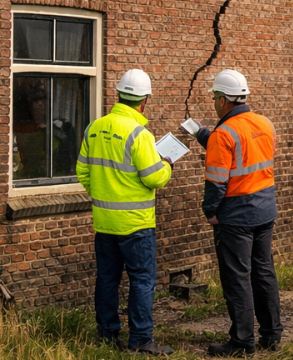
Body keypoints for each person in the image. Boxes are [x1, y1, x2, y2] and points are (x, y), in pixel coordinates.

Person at [76, 69, 173, 355]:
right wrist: (166, 163)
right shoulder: (139, 134)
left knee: (107, 279)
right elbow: (154, 177)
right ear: (144, 101)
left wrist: (103, 193)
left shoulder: (94, 127)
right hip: (136, 225)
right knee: (142, 280)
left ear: (118, 95)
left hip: (104, 222)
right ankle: (141, 339)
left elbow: (82, 169)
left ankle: (107, 334)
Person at [194, 70, 281, 356]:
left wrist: (210, 212)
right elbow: (246, 153)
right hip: (265, 209)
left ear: (222, 100)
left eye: (215, 98)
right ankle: (271, 334)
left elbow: (217, 181)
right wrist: (207, 136)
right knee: (264, 271)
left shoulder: (224, 134)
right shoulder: (264, 123)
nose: (214, 103)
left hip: (236, 216)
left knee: (237, 278)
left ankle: (243, 341)